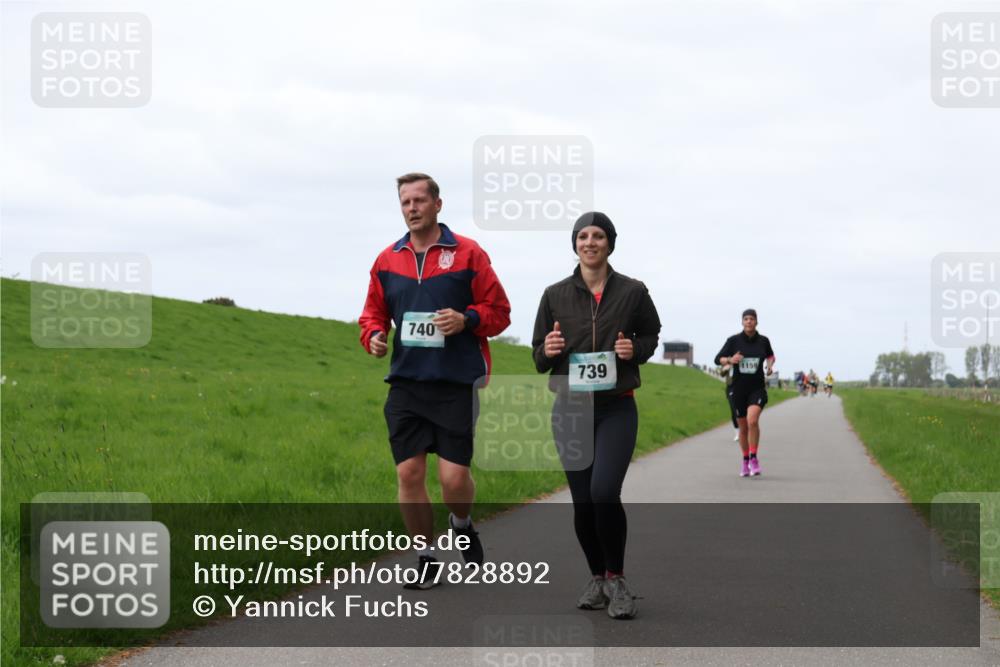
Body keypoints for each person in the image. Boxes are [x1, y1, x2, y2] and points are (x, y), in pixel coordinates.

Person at [359, 172, 511, 589]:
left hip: (456, 382)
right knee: (409, 474)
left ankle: (461, 522)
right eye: (405, 202)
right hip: (407, 384)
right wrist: (374, 336)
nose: (412, 208)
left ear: (437, 205)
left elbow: (500, 311)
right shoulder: (387, 260)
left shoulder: (468, 253)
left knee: (453, 480)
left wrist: (467, 319)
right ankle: (425, 557)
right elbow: (372, 313)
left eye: (419, 200)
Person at [532, 211, 661, 620]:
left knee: (604, 491)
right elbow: (537, 356)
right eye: (583, 236)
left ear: (610, 243)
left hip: (615, 406)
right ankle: (597, 577)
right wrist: (548, 350)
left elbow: (651, 335)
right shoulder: (554, 294)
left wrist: (634, 350)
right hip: (570, 408)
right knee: (583, 502)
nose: (590, 242)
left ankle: (617, 578)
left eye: (598, 236)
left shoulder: (633, 291)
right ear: (575, 244)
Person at [714, 310, 775, 477]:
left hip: (757, 388)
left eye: (752, 319)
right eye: (746, 319)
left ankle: (754, 458)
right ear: (742, 322)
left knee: (752, 421)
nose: (749, 321)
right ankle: (745, 460)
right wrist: (730, 359)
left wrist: (769, 366)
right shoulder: (733, 341)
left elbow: (770, 355)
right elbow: (718, 359)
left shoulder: (763, 341)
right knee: (743, 428)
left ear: (756, 322)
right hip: (738, 389)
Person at [721, 363, 740, 440]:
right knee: (734, 410)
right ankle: (737, 432)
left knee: (743, 409)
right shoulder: (727, 361)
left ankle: (745, 430)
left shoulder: (741, 360)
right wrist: (725, 369)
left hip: (742, 386)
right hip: (731, 388)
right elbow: (722, 374)